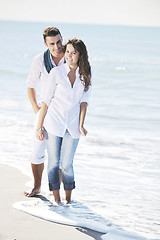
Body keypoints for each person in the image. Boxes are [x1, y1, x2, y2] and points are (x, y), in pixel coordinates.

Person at [36, 38, 92, 204]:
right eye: (67, 52)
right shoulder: (57, 73)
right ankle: (57, 199)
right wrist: (39, 127)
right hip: (54, 123)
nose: (69, 56)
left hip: (73, 125)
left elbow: (84, 101)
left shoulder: (86, 74)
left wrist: (81, 124)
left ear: (80, 55)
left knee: (67, 164)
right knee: (53, 162)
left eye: (73, 53)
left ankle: (68, 201)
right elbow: (46, 101)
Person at [24, 27, 65, 197]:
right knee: (37, 150)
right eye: (52, 44)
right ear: (45, 44)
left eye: (59, 42)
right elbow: (30, 85)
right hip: (44, 113)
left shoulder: (71, 57)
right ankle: (37, 186)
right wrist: (36, 110)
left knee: (61, 156)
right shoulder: (39, 60)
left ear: (62, 38)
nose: (57, 47)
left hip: (64, 114)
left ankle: (57, 191)